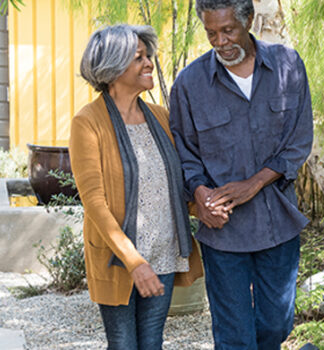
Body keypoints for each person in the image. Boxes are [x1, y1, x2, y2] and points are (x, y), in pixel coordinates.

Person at [169, 0, 314, 349]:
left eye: (228, 30)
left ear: (248, 20)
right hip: (223, 231)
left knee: (276, 327)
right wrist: (200, 194)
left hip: (277, 222)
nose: (220, 41)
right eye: (211, 33)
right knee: (235, 336)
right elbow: (185, 155)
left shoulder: (287, 65)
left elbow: (298, 140)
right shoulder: (190, 84)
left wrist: (254, 183)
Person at [69, 24, 203, 350]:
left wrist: (209, 205)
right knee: (124, 344)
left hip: (163, 250)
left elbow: (178, 185)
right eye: (139, 58)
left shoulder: (161, 117)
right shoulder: (88, 123)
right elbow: (95, 203)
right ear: (114, 67)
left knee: (152, 341)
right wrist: (135, 262)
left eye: (149, 56)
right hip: (119, 259)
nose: (149, 64)